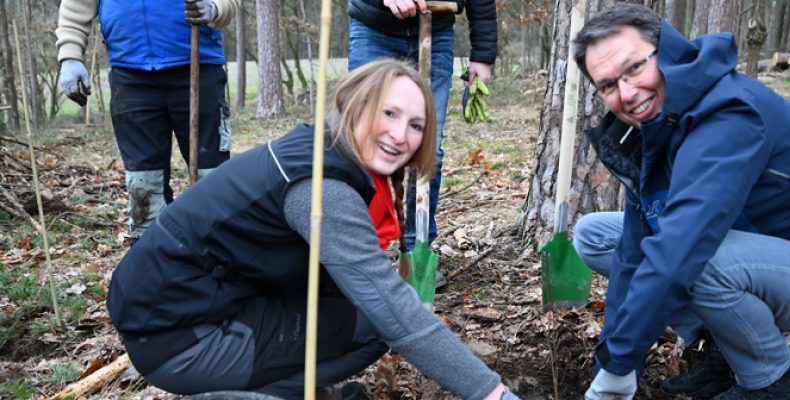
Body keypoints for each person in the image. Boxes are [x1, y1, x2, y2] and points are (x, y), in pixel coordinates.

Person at [106, 59, 518, 400]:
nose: (400, 134)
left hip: (202, 307)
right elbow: (394, 312)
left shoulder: (323, 147)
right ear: (356, 106)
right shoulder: (322, 188)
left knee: (363, 318)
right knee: (378, 320)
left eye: (416, 124)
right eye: (388, 114)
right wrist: (492, 393)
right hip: (183, 340)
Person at [571, 4, 790, 400]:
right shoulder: (656, 124)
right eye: (608, 85)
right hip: (762, 254)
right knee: (595, 236)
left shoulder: (728, 115)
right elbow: (631, 254)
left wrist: (620, 364)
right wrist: (613, 366)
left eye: (635, 68)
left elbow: (679, 253)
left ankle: (773, 382)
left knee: (696, 260)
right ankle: (726, 351)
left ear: (667, 52)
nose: (626, 93)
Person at [56, 0, 239, 243]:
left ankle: (222, 248)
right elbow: (77, 4)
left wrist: (215, 8)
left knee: (211, 171)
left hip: (198, 64)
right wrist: (70, 57)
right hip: (130, 75)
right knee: (144, 180)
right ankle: (151, 256)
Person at [347, 0, 497, 283]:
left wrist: (483, 54)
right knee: (360, 147)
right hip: (374, 31)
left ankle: (417, 251)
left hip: (436, 35)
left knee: (427, 151)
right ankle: (359, 254)